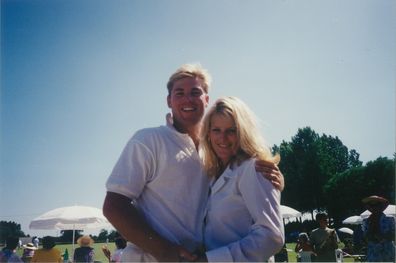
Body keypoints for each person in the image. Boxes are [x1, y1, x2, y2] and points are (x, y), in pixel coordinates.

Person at [103, 63, 285, 262]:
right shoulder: (148, 140)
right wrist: (164, 251)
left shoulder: (214, 153)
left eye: (195, 92)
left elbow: (246, 194)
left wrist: (272, 182)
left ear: (207, 99)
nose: (187, 99)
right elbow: (114, 205)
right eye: (179, 93)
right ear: (168, 101)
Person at [195, 96, 284, 262]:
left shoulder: (254, 168)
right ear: (208, 133)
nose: (222, 138)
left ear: (243, 132)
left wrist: (210, 260)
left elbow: (272, 236)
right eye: (216, 130)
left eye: (231, 131)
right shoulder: (212, 175)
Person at [361, 195, 395, 262]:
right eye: (371, 205)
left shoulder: (390, 219)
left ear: (381, 206)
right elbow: (365, 238)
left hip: (388, 250)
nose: (374, 207)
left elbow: (394, 235)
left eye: (376, 205)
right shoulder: (366, 221)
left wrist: (383, 236)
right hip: (373, 252)